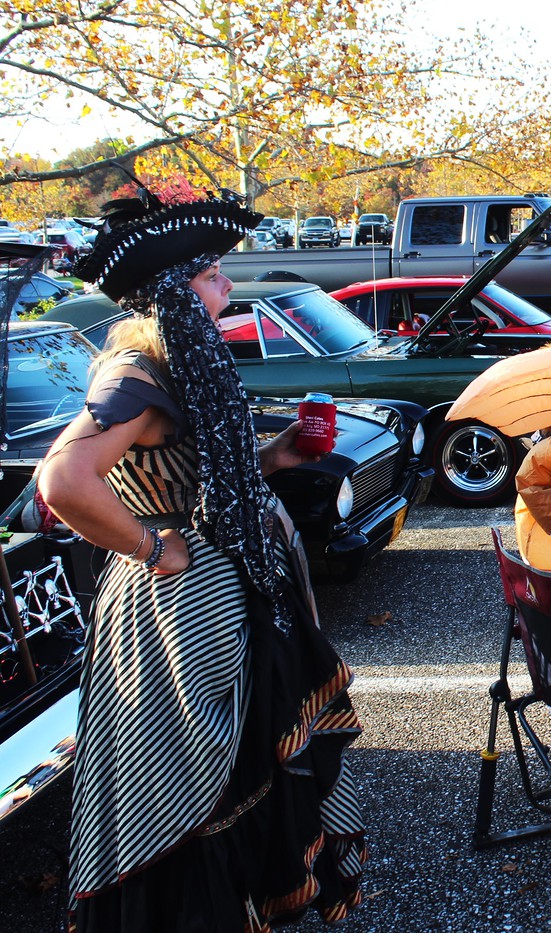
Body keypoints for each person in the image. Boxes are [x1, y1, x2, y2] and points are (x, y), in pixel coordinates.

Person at [42, 190, 364, 930]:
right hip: (176, 611)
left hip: (223, 596)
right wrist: (152, 545)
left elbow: (189, 472)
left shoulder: (179, 361)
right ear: (173, 291)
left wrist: (270, 457)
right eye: (213, 274)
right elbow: (62, 482)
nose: (226, 285)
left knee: (243, 758)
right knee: (195, 777)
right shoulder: (134, 373)